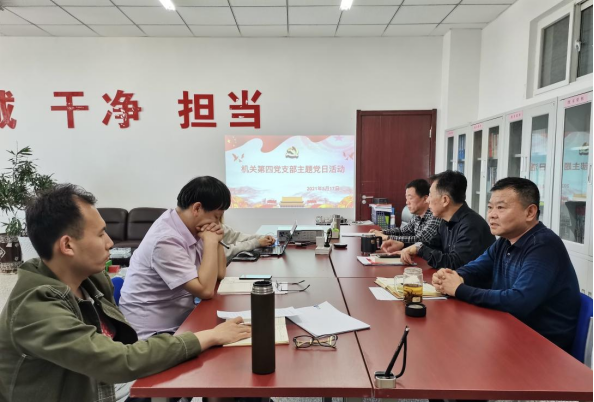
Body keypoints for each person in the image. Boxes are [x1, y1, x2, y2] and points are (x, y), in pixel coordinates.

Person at [0, 184, 250, 402]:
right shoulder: (35, 307)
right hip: (113, 381)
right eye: (101, 234)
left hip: (110, 381)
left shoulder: (91, 280)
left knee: (230, 369)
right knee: (221, 364)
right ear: (67, 245)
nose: (110, 242)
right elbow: (119, 361)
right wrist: (208, 336)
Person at [432, 177, 580, 352]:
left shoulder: (544, 245)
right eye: (490, 207)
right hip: (507, 330)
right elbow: (476, 268)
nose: (492, 215)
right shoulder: (505, 241)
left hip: (542, 347)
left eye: (500, 207)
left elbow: (519, 301)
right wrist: (450, 276)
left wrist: (459, 289)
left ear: (530, 212)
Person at [119, 176, 231, 339]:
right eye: (216, 216)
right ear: (197, 208)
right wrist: (211, 242)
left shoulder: (190, 226)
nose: (217, 223)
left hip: (181, 321)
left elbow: (219, 274)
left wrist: (217, 239)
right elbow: (205, 291)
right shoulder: (165, 239)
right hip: (153, 334)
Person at [383, 170, 495, 269]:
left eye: (431, 195)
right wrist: (404, 245)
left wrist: (419, 248)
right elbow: (431, 245)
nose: (428, 201)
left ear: (445, 200)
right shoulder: (445, 221)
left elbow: (454, 264)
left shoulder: (471, 225)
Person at [370, 179, 442, 251]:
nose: (407, 202)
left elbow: (420, 239)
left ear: (425, 199)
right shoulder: (417, 216)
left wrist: (386, 237)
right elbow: (403, 231)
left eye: (410, 198)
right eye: (406, 198)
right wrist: (382, 232)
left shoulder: (435, 216)